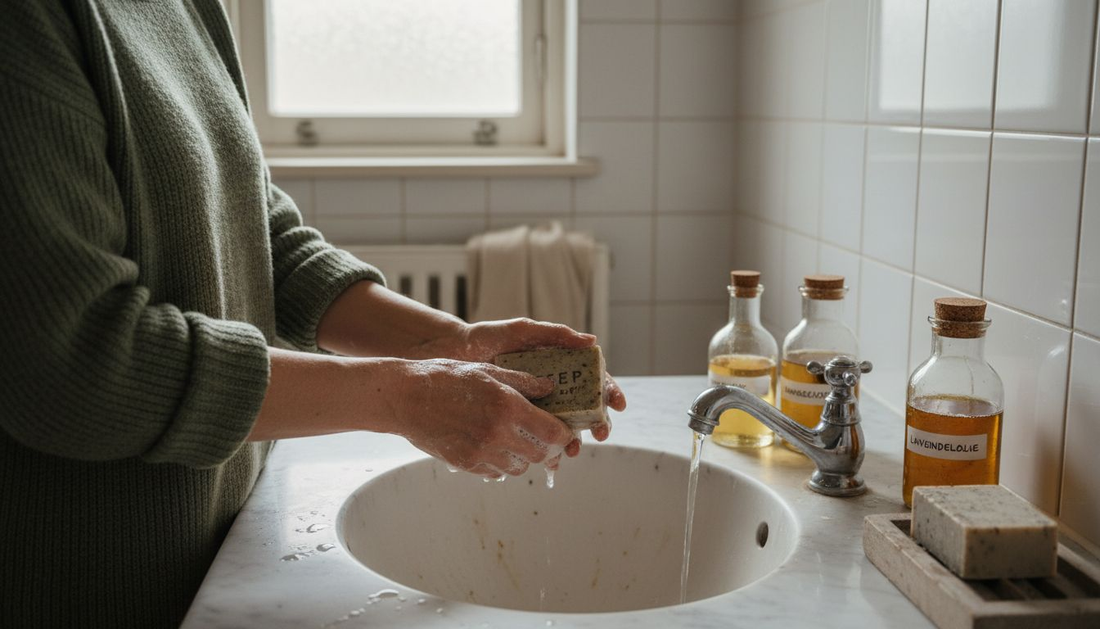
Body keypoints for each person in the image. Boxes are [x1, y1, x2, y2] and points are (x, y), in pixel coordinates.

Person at [0, 1, 626, 627]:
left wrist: (453, 342)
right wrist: (403, 398)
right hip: (92, 585)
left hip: (220, 549)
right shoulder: (30, 24)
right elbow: (71, 365)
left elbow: (263, 237)